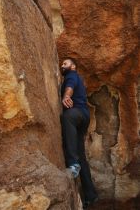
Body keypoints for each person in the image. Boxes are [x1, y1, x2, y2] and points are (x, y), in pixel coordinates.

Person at [60, 57, 98, 209]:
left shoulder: (72, 75)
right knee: (82, 155)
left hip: (76, 114)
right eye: (62, 64)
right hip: (84, 117)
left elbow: (70, 85)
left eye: (65, 63)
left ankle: (73, 163)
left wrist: (66, 96)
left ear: (73, 66)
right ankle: (91, 195)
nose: (62, 66)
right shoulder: (80, 78)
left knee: (66, 116)